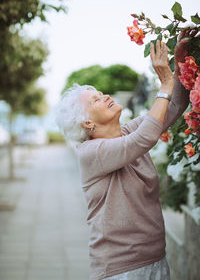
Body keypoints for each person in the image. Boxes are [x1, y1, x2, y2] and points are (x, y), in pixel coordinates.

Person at [55, 27, 197, 280]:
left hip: (156, 259)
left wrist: (179, 63)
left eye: (101, 94)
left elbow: (174, 106)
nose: (105, 96)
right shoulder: (91, 153)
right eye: (96, 100)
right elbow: (145, 138)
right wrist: (164, 82)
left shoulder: (128, 132)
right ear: (87, 123)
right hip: (121, 270)